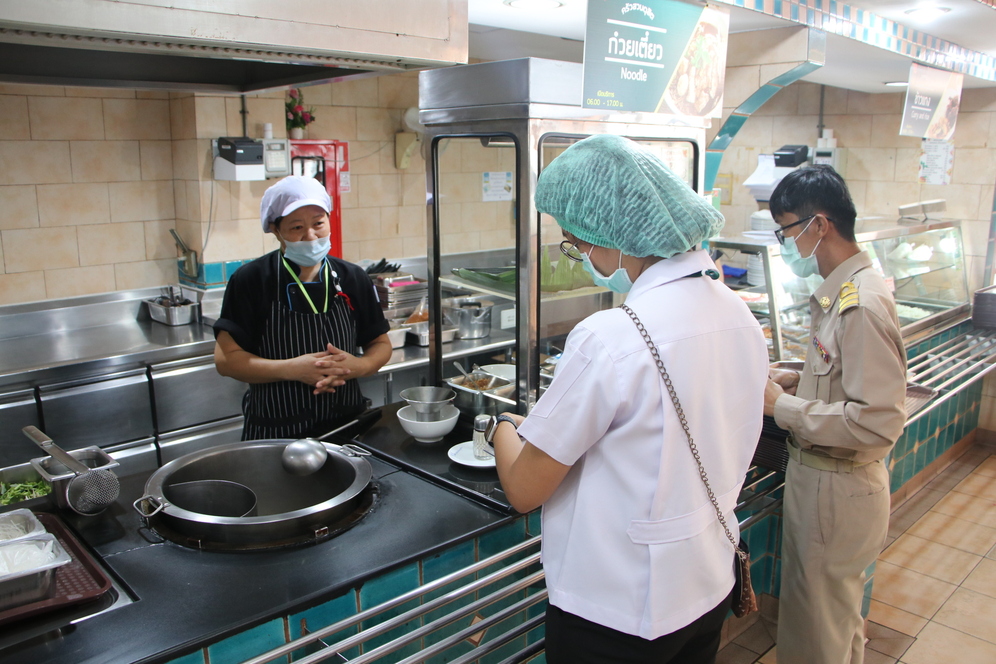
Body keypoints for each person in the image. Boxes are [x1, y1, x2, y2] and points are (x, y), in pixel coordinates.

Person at [491, 135, 769, 664]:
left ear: (616, 235)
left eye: (577, 243)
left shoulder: (613, 337)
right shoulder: (738, 316)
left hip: (616, 612)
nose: (581, 257)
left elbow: (525, 488)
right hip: (706, 586)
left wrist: (501, 425)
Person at [763, 165, 907, 664]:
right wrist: (797, 380)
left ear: (819, 225)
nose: (786, 244)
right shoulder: (843, 290)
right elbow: (842, 379)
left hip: (835, 489)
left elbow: (876, 421)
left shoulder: (860, 303)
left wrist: (782, 406)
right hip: (831, 486)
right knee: (835, 623)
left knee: (814, 635)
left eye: (786, 231)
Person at [214, 175, 391, 440]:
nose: (310, 236)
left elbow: (380, 344)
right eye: (296, 227)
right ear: (275, 230)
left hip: (346, 428)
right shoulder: (251, 280)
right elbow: (226, 360)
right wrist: (291, 369)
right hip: (276, 431)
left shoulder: (352, 277)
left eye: (318, 223)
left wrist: (359, 366)